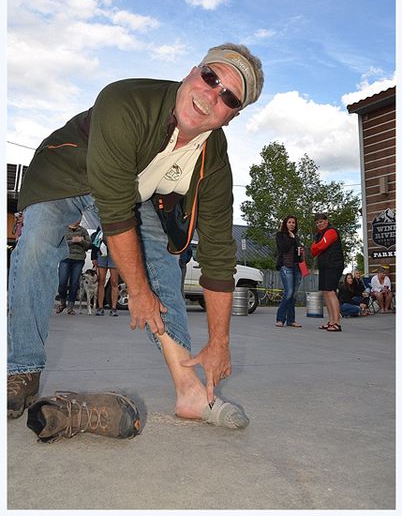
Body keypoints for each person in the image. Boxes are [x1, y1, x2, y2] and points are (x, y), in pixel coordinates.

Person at [7, 42, 264, 431]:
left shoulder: (212, 161)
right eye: (211, 77)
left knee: (160, 257)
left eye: (228, 96)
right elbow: (113, 212)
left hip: (129, 191)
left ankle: (189, 391)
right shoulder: (125, 99)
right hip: (65, 172)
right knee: (39, 241)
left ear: (232, 116)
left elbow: (218, 254)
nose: (211, 95)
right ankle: (22, 370)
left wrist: (219, 341)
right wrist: (138, 291)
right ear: (192, 71)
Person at [310, 213, 344, 332]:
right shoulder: (318, 235)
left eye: (321, 221)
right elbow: (313, 251)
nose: (319, 224)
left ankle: (337, 323)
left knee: (331, 291)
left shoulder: (331, 231)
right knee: (325, 292)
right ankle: (330, 321)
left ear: (326, 221)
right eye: (317, 222)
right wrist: (316, 247)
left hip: (334, 264)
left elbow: (320, 247)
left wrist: (316, 247)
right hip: (324, 265)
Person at [56, 220, 91, 315]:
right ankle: (62, 303)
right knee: (62, 282)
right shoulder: (64, 229)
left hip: (78, 260)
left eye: (80, 219)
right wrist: (72, 241)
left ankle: (70, 307)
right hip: (65, 258)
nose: (78, 220)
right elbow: (58, 243)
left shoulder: (83, 231)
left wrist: (82, 241)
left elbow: (89, 245)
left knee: (74, 283)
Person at [274, 215, 303, 328]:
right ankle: (280, 318)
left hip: (297, 266)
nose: (292, 224)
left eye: (293, 223)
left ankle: (291, 320)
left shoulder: (296, 237)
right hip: (286, 266)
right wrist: (291, 239)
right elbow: (283, 248)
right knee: (289, 292)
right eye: (289, 222)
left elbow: (298, 251)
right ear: (285, 224)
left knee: (294, 295)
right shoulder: (280, 235)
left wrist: (300, 250)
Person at [91, 227, 120, 317]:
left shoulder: (117, 228)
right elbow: (95, 244)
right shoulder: (100, 229)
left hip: (114, 255)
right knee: (101, 281)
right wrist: (94, 257)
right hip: (102, 254)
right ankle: (100, 307)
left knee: (114, 282)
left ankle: (114, 308)